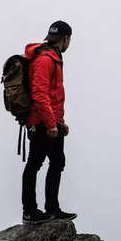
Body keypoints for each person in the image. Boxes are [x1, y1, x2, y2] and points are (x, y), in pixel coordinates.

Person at [21, 20, 78, 224]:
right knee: (35, 164)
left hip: (51, 122)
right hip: (41, 122)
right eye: (69, 39)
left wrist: (60, 122)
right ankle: (30, 211)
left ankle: (52, 209)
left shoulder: (53, 57)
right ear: (65, 38)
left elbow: (54, 95)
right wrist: (51, 123)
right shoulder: (46, 59)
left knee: (57, 161)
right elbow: (40, 93)